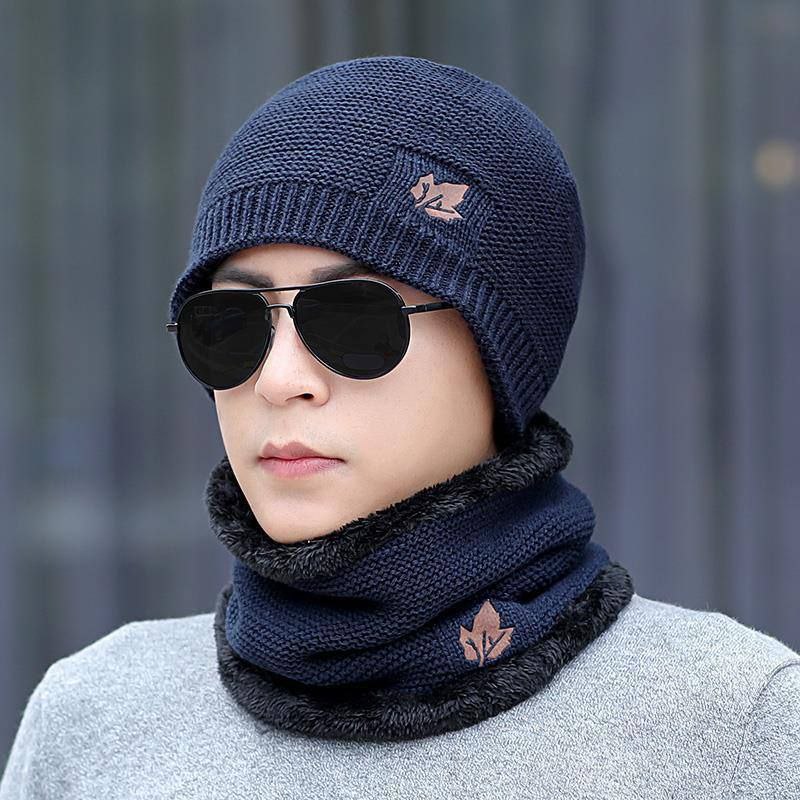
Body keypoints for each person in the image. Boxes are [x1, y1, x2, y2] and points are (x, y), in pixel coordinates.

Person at [1, 55, 798, 800]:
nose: (279, 379)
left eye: (353, 319)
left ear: (499, 352)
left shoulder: (735, 727)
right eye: (230, 324)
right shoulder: (95, 719)